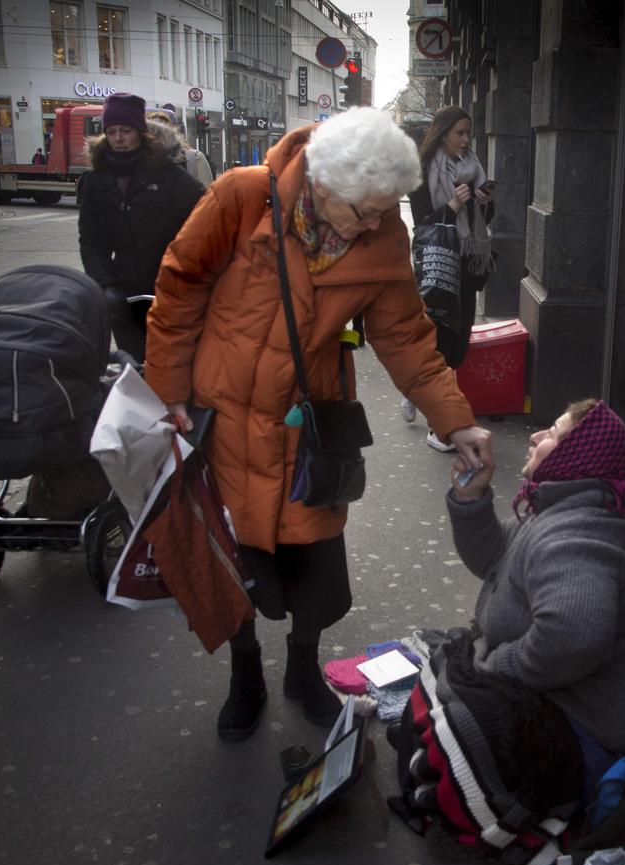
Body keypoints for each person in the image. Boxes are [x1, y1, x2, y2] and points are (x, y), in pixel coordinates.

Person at [143, 106, 494, 739]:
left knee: (315, 567)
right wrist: (166, 390)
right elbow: (180, 286)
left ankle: (303, 669)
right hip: (225, 416)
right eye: (363, 210)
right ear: (324, 181)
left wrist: (456, 420)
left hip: (312, 425)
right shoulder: (242, 197)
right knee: (236, 557)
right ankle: (245, 670)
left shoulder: (381, 227)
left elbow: (407, 337)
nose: (374, 222)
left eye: (385, 210)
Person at [388, 399, 625, 859]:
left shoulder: (578, 533)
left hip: (603, 739)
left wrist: (494, 669)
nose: (536, 436)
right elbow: (496, 557)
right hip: (571, 711)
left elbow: (574, 636)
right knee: (446, 668)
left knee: (462, 708)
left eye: (554, 434)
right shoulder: (555, 513)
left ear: (577, 457)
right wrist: (471, 499)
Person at [78, 93, 205, 361]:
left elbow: (203, 224)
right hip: (124, 294)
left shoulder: (169, 176)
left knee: (171, 362)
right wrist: (105, 284)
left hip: (170, 289)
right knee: (133, 364)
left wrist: (185, 275)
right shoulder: (97, 180)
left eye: (125, 130)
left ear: (140, 132)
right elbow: (91, 239)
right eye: (111, 132)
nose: (118, 138)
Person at [402, 106, 496, 452]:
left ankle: (416, 387)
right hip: (437, 263)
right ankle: (438, 424)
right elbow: (424, 222)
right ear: (442, 133)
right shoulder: (423, 170)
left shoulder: (472, 168)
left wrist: (485, 202)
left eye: (469, 133)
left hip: (466, 262)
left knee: (458, 343)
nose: (466, 140)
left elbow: (483, 219)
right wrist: (454, 206)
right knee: (440, 340)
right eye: (460, 133)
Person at [145, 110, 215, 186]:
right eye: (152, 131)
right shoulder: (141, 161)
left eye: (164, 131)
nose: (158, 136)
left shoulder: (195, 158)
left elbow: (208, 193)